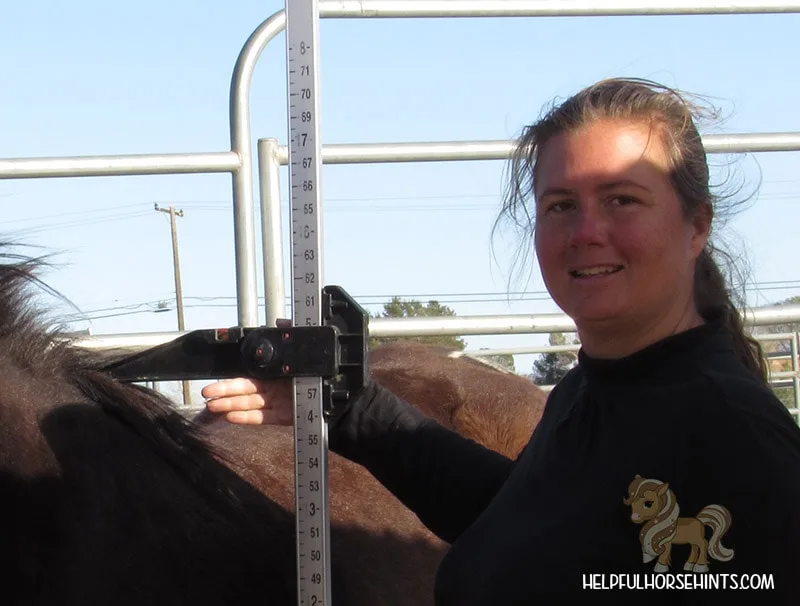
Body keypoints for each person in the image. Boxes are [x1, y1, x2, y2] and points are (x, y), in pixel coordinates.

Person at [201, 78, 800, 602]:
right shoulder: (594, 391)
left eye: (623, 199)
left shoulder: (733, 441)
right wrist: (347, 407)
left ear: (697, 225)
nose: (587, 232)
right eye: (561, 205)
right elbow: (529, 521)